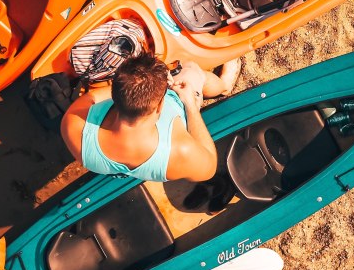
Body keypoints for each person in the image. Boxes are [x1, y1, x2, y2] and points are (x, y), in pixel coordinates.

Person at [60, 52, 240, 182]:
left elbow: (92, 97)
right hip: (182, 99)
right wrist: (191, 106)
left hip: (132, 105)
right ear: (160, 107)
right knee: (192, 71)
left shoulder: (74, 125)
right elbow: (209, 166)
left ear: (115, 93)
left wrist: (135, 89)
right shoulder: (181, 152)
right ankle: (224, 86)